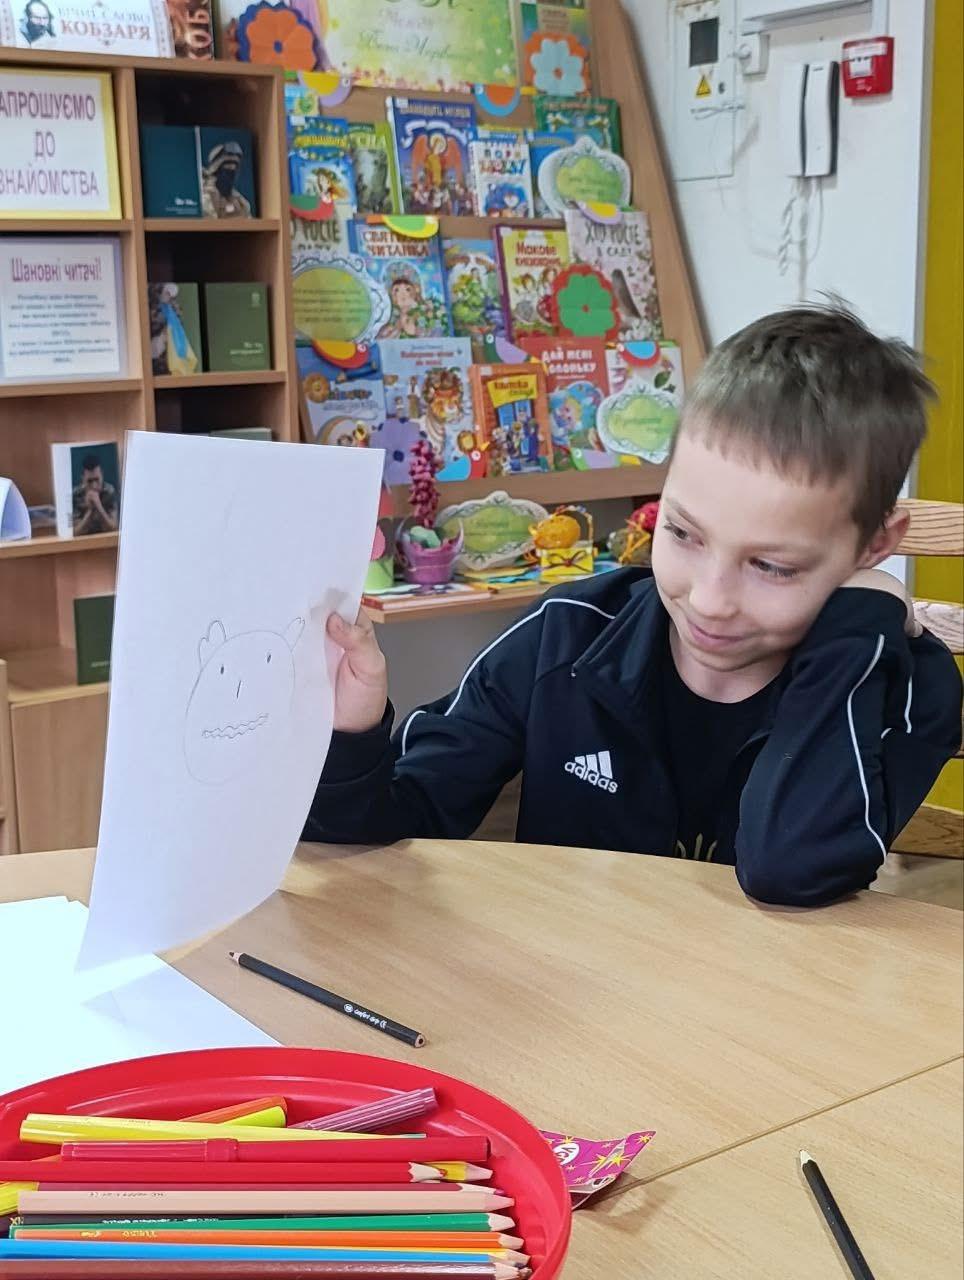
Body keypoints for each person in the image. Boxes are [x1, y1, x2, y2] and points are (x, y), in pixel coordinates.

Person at [305, 303, 963, 907]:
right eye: (683, 533)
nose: (709, 600)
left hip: (761, 994)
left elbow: (790, 868)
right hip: (564, 983)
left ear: (874, 547)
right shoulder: (565, 634)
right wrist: (352, 734)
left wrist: (859, 621)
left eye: (771, 567)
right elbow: (388, 822)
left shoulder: (909, 684)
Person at [201, 141, 251, 219]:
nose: (232, 168)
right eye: (227, 164)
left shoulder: (242, 203)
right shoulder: (203, 198)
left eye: (235, 165)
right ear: (216, 169)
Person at [72, 455, 119, 536]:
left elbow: (113, 528)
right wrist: (90, 510)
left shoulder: (109, 491)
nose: (94, 486)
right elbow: (76, 533)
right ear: (82, 479)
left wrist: (98, 506)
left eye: (97, 480)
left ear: (102, 476)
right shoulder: (76, 494)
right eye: (89, 481)